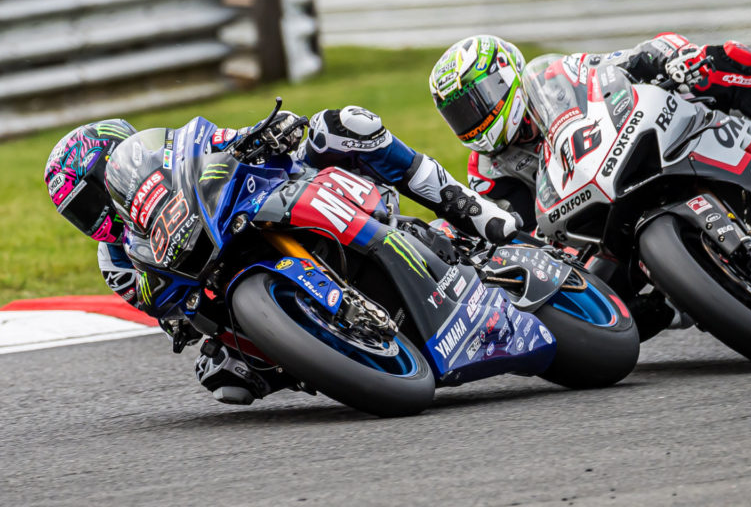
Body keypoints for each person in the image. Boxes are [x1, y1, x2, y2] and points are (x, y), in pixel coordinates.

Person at [428, 34, 751, 337]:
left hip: (650, 147)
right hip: (603, 226)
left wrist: (668, 59)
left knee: (727, 61)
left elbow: (622, 64)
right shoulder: (487, 169)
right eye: (461, 114)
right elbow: (512, 228)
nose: (475, 119)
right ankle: (685, 295)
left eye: (479, 101)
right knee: (585, 304)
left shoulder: (556, 77)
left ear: (506, 76)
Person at [44, 107, 519, 405]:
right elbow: (162, 309)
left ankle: (466, 207)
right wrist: (178, 313)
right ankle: (331, 345)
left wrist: (269, 132)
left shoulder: (170, 156)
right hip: (225, 286)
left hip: (273, 200)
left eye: (93, 197)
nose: (97, 214)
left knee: (344, 124)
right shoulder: (117, 260)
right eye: (81, 213)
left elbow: (225, 141)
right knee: (225, 378)